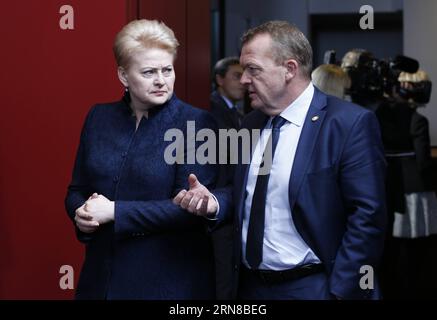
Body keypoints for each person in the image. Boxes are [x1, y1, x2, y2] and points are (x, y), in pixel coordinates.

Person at [173, 20, 387, 300]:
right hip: (250, 287)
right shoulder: (251, 124)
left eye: (253, 69)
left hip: (315, 287)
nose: (244, 80)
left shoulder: (348, 124)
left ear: (289, 69)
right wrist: (215, 202)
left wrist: (339, 292)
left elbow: (367, 218)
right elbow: (246, 193)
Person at [64, 19, 217, 299]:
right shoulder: (99, 117)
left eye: (167, 70)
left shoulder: (196, 123)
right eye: (148, 72)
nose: (161, 80)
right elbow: (76, 190)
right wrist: (81, 213)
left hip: (168, 283)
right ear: (123, 75)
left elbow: (188, 210)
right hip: (101, 281)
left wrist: (114, 211)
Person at [376, 69, 437, 298]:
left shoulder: (380, 113)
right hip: (413, 191)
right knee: (416, 255)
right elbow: (423, 162)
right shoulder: (417, 120)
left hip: (386, 188)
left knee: (391, 253)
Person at [210, 57, 246, 299]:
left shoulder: (240, 112)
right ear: (219, 79)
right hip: (218, 204)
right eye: (236, 75)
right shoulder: (212, 111)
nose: (243, 82)